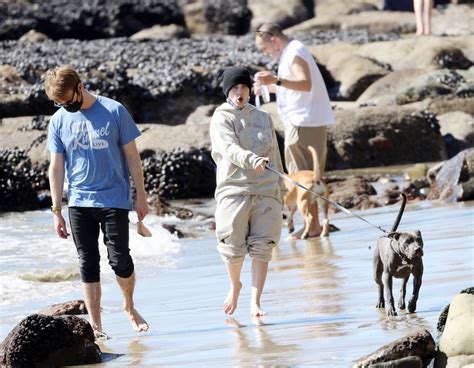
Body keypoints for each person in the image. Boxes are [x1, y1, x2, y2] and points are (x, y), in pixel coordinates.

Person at [44, 66, 149, 336]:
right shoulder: (58, 120)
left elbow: (132, 157)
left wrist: (141, 196)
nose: (66, 106)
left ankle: (129, 306)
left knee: (120, 260)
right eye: (60, 103)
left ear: (80, 87)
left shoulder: (114, 111)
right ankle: (97, 327)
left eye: (68, 100)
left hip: (114, 198)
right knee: (87, 262)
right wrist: (57, 210)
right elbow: (56, 167)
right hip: (79, 201)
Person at [210, 66, 286, 317]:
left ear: (250, 90)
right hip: (234, 189)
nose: (239, 92)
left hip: (266, 189)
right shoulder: (221, 117)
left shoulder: (264, 117)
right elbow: (228, 148)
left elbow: (275, 154)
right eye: (234, 88)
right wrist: (250, 159)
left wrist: (281, 189)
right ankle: (235, 285)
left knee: (264, 246)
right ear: (227, 91)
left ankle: (256, 302)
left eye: (243, 87)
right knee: (232, 247)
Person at [254, 22, 335, 239]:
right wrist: (269, 87)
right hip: (305, 119)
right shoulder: (292, 52)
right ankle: (315, 224)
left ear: (273, 40)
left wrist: (275, 79)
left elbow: (305, 83)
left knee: (303, 177)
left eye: (264, 48)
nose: (265, 53)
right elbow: (294, 86)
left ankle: (314, 225)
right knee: (308, 176)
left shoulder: (295, 51)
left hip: (303, 120)